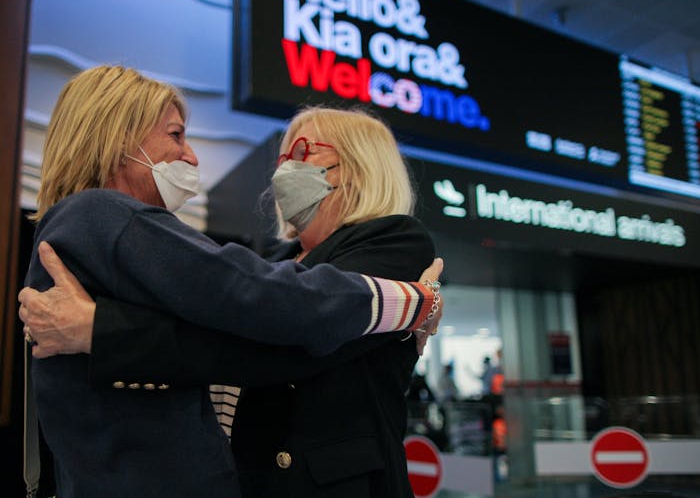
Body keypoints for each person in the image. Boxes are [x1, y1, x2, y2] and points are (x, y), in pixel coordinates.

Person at [20, 66, 442, 498]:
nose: (283, 169)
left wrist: (102, 331)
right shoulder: (103, 218)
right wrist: (414, 301)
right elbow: (255, 318)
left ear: (356, 166)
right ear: (118, 138)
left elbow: (280, 337)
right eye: (177, 135)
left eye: (300, 151)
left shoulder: (394, 241)